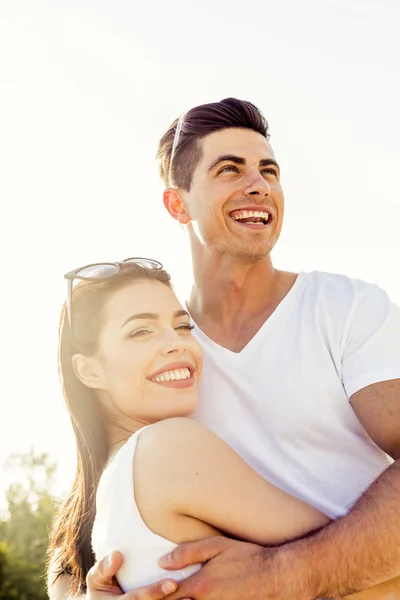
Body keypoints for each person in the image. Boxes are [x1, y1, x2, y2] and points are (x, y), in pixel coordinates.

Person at [48, 98, 400, 600]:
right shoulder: (169, 366)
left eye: (269, 170)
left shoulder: (345, 309)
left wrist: (285, 574)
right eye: (229, 169)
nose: (258, 185)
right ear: (178, 204)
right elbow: (86, 515)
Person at [48, 258, 334, 596]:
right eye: (141, 331)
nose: (177, 343)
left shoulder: (103, 493)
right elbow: (360, 558)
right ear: (90, 371)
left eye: (183, 326)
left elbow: (62, 571)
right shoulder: (165, 448)